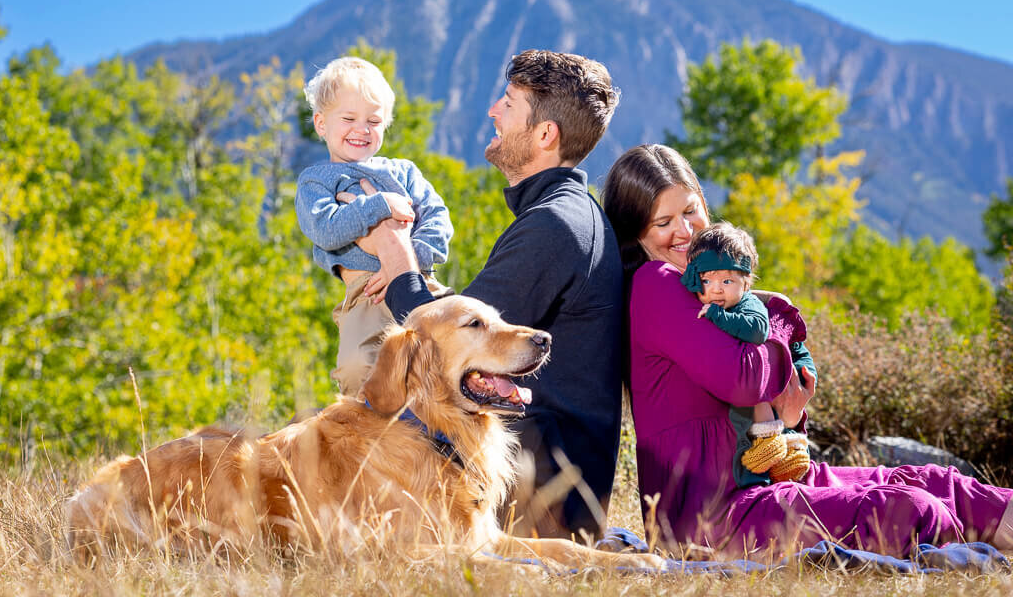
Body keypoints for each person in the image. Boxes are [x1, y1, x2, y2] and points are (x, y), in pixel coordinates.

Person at [601, 143, 1013, 557]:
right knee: (904, 509)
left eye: (691, 210)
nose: (686, 231)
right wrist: (774, 317)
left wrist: (789, 412)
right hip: (717, 517)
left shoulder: (709, 287)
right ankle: (973, 559)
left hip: (765, 484)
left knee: (933, 480)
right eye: (663, 222)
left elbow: (764, 406)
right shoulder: (656, 283)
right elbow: (742, 380)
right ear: (637, 234)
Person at [354, 49, 624, 541]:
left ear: (545, 135)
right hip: (544, 482)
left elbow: (439, 343)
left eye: (509, 103)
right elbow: (466, 325)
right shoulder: (568, 215)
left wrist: (392, 249)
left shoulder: (554, 226)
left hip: (535, 500)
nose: (492, 112)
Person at [295, 56, 452, 396]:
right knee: (357, 368)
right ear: (321, 124)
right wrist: (380, 205)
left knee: (450, 354)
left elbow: (438, 218)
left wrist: (410, 261)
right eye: (349, 118)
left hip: (420, 278)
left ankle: (448, 434)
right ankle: (374, 439)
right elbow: (325, 229)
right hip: (364, 294)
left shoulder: (404, 172)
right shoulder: (316, 182)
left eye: (374, 120)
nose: (361, 129)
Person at [681, 222, 815, 487]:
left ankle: (775, 443)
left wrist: (716, 315)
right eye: (707, 280)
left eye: (727, 281)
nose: (716, 289)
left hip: (790, 372)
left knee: (759, 377)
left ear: (746, 282)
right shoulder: (718, 300)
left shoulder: (747, 304)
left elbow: (756, 331)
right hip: (766, 385)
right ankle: (783, 452)